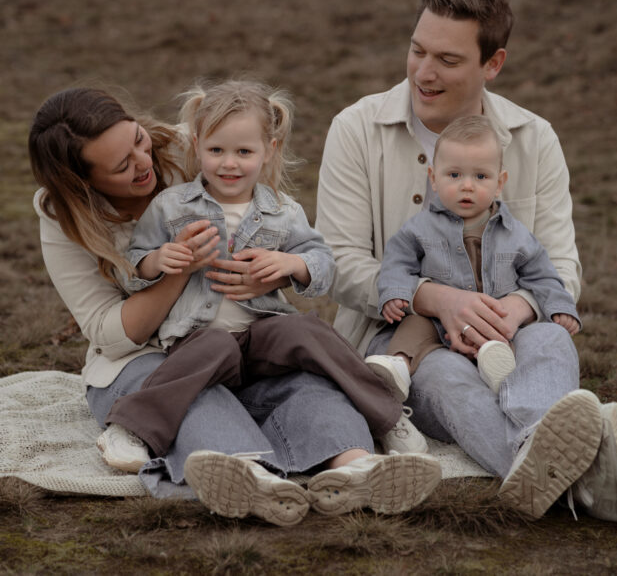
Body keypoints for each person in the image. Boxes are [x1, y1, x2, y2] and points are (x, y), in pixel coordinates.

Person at [315, 0, 617, 524]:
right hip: (404, 337)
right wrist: (435, 299)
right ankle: (582, 479)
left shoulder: (534, 137)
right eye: (417, 50)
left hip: (511, 326)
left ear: (492, 64)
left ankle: (540, 455)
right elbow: (339, 262)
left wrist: (518, 308)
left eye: (447, 60)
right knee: (445, 377)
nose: (424, 72)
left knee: (550, 339)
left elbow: (560, 265)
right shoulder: (357, 128)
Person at [28, 86, 441, 527]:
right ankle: (248, 476)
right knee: (200, 395)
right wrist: (176, 269)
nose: (144, 162)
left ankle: (360, 461)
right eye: (122, 165)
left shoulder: (206, 143)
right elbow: (113, 319)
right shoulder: (126, 210)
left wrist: (284, 269)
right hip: (159, 351)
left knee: (312, 376)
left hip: (257, 330)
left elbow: (314, 255)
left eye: (138, 141)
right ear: (85, 181)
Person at [103, 79, 426, 467]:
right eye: (216, 150)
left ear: (269, 151)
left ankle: (388, 418)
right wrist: (158, 261)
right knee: (216, 344)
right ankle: (131, 427)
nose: (229, 163)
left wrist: (293, 265)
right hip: (198, 340)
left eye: (244, 151)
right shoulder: (171, 207)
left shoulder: (282, 211)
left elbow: (322, 262)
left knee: (306, 331)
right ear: (197, 147)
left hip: (263, 335)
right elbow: (131, 266)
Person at [367, 115, 581, 397]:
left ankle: (499, 371)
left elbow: (543, 274)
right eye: (454, 175)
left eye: (480, 176)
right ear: (433, 178)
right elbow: (397, 262)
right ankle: (399, 365)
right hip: (438, 321)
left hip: (495, 320)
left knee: (514, 340)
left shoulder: (515, 234)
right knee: (413, 327)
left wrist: (560, 307)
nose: (467, 186)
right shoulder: (419, 229)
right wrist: (394, 292)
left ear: (499, 182)